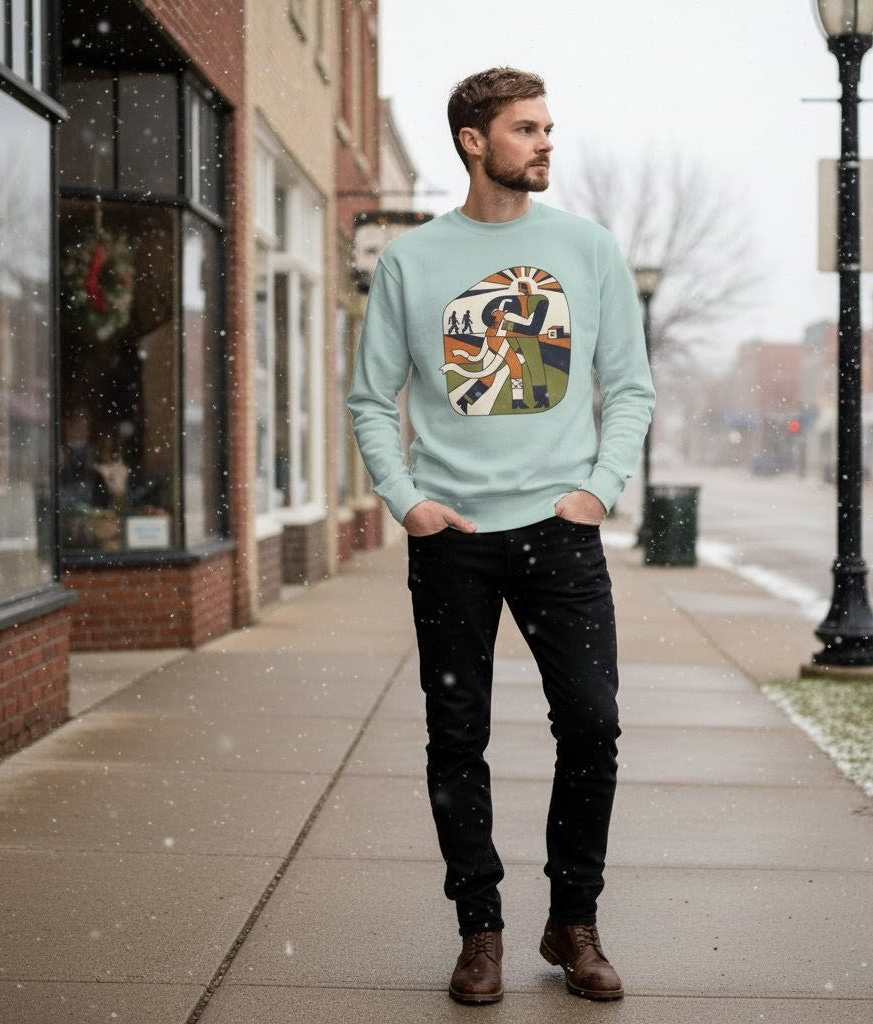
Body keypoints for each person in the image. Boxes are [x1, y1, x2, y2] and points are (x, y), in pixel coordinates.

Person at [348, 66, 655, 1005]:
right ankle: (478, 932)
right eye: (527, 129)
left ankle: (574, 924)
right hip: (454, 536)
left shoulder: (588, 249)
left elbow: (629, 387)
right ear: (474, 142)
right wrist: (407, 502)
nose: (546, 142)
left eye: (549, 127)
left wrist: (600, 489)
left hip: (559, 533)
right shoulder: (412, 261)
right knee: (456, 738)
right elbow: (371, 400)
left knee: (593, 727)